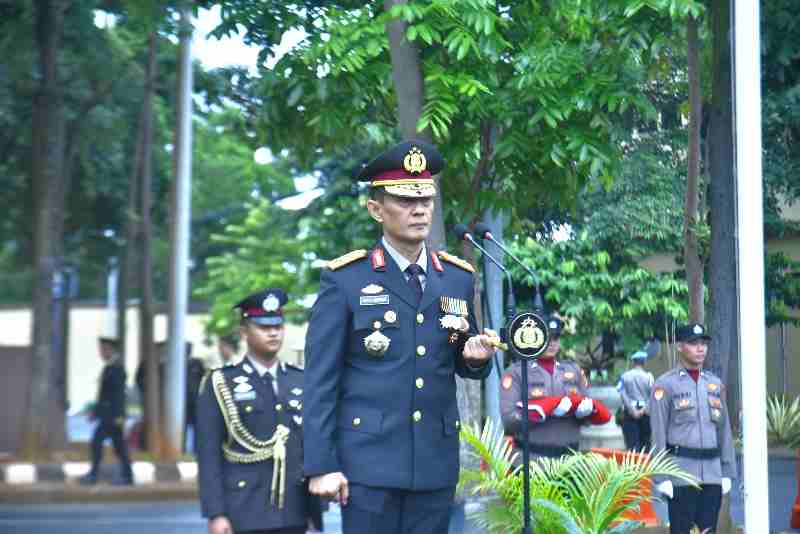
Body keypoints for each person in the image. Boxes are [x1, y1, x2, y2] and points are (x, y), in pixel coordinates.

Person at [303, 140, 495, 534]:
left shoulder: (457, 278)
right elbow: (319, 382)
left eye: (426, 199)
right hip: (368, 467)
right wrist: (322, 465)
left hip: (434, 464)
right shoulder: (346, 279)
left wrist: (475, 357)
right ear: (376, 209)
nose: (420, 209)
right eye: (405, 201)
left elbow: (459, 356)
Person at [197, 288, 321, 534]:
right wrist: (216, 513)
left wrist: (314, 511)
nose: (273, 332)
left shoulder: (300, 380)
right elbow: (208, 453)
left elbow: (309, 444)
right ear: (244, 332)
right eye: (264, 327)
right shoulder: (222, 383)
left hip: (294, 510)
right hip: (244, 511)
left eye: (278, 326)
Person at [650, 323, 736, 534]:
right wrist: (661, 478)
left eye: (703, 344)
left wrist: (727, 471)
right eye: (693, 343)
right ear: (680, 347)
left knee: (708, 531)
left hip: (712, 475)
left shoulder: (714, 384)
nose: (700, 349)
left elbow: (724, 432)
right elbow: (658, 433)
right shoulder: (665, 385)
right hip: (681, 475)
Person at [499, 316, 611, 459]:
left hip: (570, 461)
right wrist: (542, 412)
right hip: (532, 459)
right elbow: (509, 421)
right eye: (547, 338)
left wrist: (584, 414)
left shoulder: (574, 370)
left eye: (556, 338)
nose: (552, 343)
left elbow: (590, 413)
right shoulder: (517, 372)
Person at [80, 337, 134, 485]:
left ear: (111, 349)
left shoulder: (117, 368)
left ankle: (94, 475)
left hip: (112, 416)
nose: (101, 353)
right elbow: (103, 395)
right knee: (119, 447)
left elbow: (118, 395)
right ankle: (127, 476)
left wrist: (119, 416)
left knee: (98, 442)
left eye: (103, 349)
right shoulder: (110, 367)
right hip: (109, 415)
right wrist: (95, 412)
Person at [619, 350, 654, 450]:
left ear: (634, 362)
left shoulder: (624, 376)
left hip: (629, 413)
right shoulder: (649, 377)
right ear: (644, 362)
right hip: (645, 413)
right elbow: (652, 396)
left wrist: (632, 410)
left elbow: (622, 394)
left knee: (631, 444)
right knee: (645, 444)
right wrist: (643, 410)